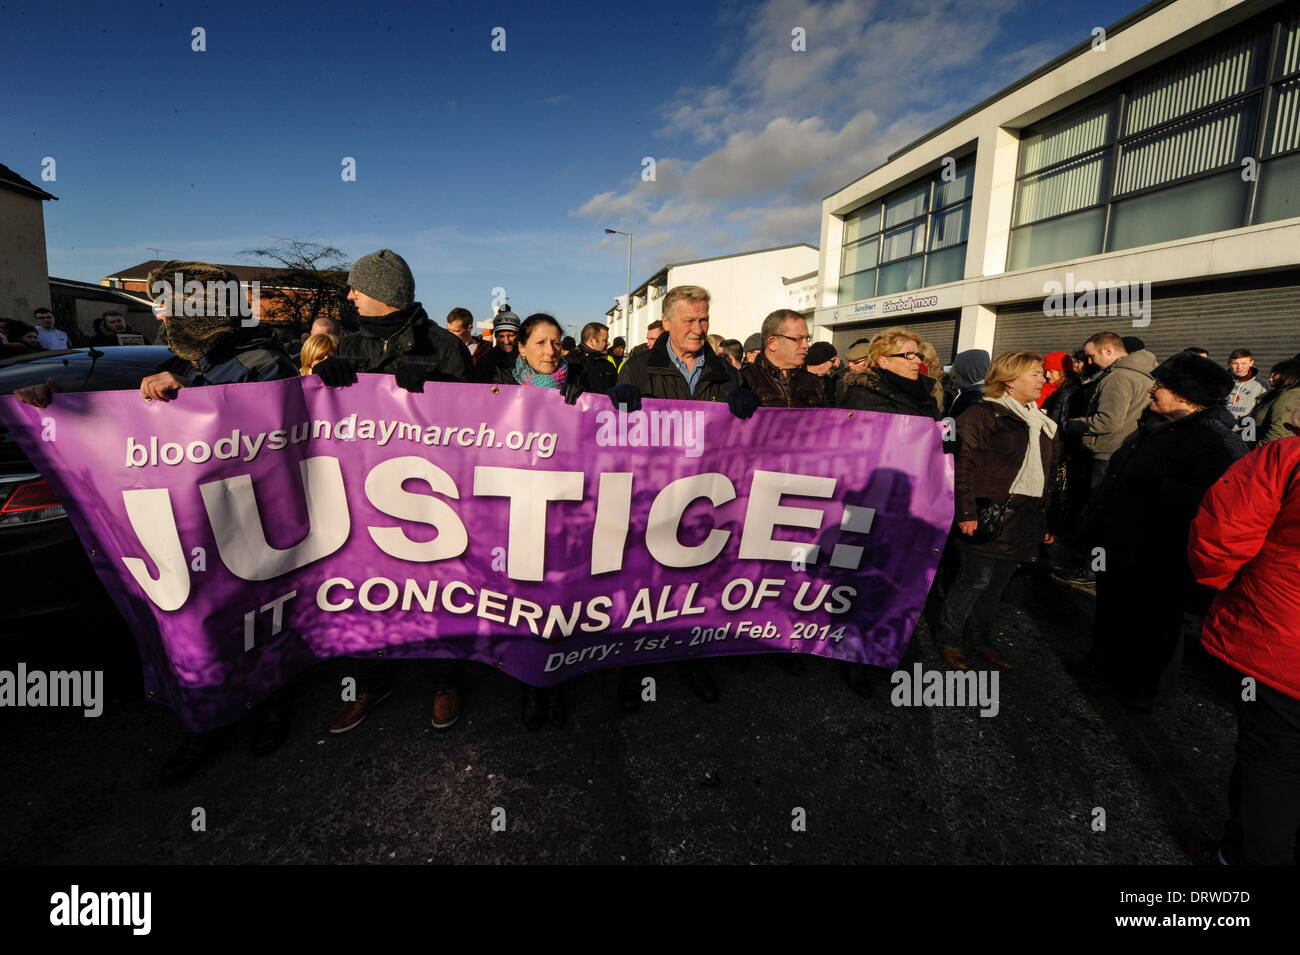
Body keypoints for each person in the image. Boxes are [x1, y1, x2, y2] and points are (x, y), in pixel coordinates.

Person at [18, 260, 300, 782]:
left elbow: (279, 437)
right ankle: (207, 723)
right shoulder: (181, 360)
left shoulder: (263, 363)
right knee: (199, 623)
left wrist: (192, 396)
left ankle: (269, 705)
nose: (160, 313)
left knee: (256, 616)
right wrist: (48, 407)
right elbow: (119, 425)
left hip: (247, 516)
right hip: (184, 524)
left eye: (169, 303)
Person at [311, 249, 474, 734]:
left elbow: (486, 426)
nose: (350, 295)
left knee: (435, 589)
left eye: (357, 287)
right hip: (364, 496)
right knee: (364, 590)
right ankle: (369, 682)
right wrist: (322, 385)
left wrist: (441, 388)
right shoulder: (352, 346)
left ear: (384, 292)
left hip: (433, 496)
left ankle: (443, 680)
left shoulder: (444, 346)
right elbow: (318, 426)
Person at [1075, 352, 1247, 710]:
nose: (1152, 390)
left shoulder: (1216, 440)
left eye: (1162, 385)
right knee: (1113, 605)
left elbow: (1226, 502)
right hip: (1122, 540)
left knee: (1156, 621)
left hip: (1164, 550)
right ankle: (1105, 665)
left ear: (1187, 395)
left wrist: (1162, 491)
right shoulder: (1155, 423)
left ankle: (1144, 690)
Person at [615, 285, 752, 709]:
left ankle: (691, 655)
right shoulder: (638, 367)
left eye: (704, 320)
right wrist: (617, 403)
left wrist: (751, 404)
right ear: (668, 322)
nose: (698, 328)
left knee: (697, 582)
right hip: (652, 493)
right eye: (689, 320)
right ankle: (637, 666)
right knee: (642, 581)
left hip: (707, 495)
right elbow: (613, 437)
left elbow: (749, 437)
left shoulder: (725, 371)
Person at [1187, 435, 1300, 865]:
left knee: (1273, 766)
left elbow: (1221, 536)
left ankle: (1240, 859)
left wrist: (1222, 584)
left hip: (1283, 643)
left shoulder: (1288, 456)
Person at [488, 313, 581, 729]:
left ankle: (558, 678)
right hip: (517, 508)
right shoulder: (494, 385)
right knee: (524, 599)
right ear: (521, 348)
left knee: (562, 596)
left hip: (568, 507)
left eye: (556, 342)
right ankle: (529, 683)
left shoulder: (581, 383)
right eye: (540, 343)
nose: (550, 351)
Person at [939, 351, 1060, 670]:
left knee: (997, 586)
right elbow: (963, 465)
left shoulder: (1042, 421)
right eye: (1034, 373)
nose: (1043, 379)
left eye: (1043, 373)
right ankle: (950, 640)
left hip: (1025, 516)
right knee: (974, 581)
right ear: (1009, 381)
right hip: (988, 513)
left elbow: (1050, 474)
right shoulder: (983, 414)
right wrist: (966, 512)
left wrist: (1046, 520)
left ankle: (981, 640)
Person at [1067, 331, 1158, 489]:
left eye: (1092, 356)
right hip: (1130, 452)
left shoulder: (1117, 377)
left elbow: (1108, 421)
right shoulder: (1146, 375)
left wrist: (1072, 425)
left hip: (1108, 456)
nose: (1089, 361)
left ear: (1108, 350)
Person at [839, 327, 941, 419]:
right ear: (883, 361)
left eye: (918, 355)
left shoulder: (926, 390)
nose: (918, 361)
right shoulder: (861, 395)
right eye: (908, 355)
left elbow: (942, 431)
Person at [740, 310, 826, 408]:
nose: (806, 345)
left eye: (807, 339)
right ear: (773, 343)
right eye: (798, 339)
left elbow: (825, 420)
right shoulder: (744, 380)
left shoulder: (813, 381)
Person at [1251, 359, 1300, 445]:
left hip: (1267, 453)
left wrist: (1255, 454)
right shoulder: (1277, 394)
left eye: (1275, 374)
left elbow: (1278, 433)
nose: (1270, 378)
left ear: (1290, 375)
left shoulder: (1289, 398)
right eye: (1271, 374)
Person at [568, 321, 618, 396]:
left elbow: (620, 396)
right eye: (605, 340)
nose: (609, 343)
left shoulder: (608, 366)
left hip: (606, 408)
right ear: (592, 341)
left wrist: (624, 408)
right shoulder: (568, 362)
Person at [1226, 348, 1270, 429]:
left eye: (1244, 363)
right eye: (1235, 363)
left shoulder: (1262, 385)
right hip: (1222, 428)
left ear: (1251, 363)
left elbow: (1262, 411)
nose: (1239, 367)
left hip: (1247, 429)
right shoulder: (1221, 382)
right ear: (1229, 364)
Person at [474, 306, 521, 381]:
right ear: (496, 337)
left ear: (518, 335)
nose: (506, 341)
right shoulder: (485, 361)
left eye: (511, 335)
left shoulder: (529, 359)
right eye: (501, 336)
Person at [946, 349, 990, 420]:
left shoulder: (968, 397)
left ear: (964, 370)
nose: (953, 373)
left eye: (957, 369)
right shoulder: (994, 394)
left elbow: (950, 427)